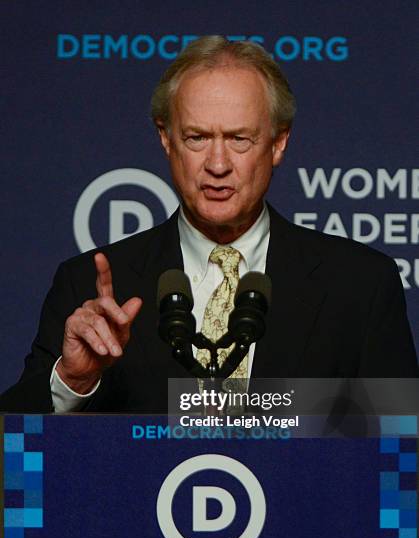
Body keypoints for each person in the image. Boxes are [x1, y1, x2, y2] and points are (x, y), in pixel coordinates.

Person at [1, 36, 417, 414]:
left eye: (240, 139)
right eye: (197, 138)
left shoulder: (361, 285)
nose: (217, 165)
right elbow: (14, 457)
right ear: (166, 139)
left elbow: (401, 459)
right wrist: (74, 381)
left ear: (278, 143)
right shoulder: (87, 286)